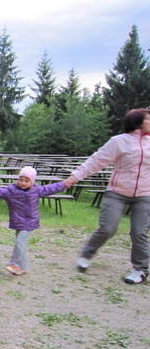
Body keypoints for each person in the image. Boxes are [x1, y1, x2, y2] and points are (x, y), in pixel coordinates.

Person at [67, 108, 150, 284]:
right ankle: (87, 253)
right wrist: (76, 176)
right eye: (148, 119)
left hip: (144, 194)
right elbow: (97, 160)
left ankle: (140, 269)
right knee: (107, 228)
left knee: (139, 232)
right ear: (137, 122)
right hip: (117, 193)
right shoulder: (119, 142)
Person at [0, 166, 71, 275]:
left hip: (29, 222)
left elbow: (51, 188)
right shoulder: (11, 191)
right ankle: (24, 268)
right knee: (21, 244)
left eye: (27, 181)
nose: (23, 183)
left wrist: (65, 184)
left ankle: (15, 265)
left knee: (20, 242)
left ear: (32, 181)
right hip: (17, 221)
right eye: (21, 180)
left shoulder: (37, 190)